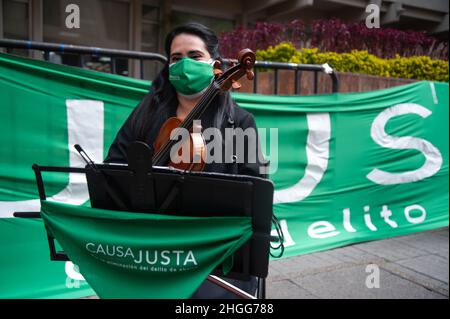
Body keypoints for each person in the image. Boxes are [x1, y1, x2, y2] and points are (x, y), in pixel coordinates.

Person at [104, 22, 266, 298]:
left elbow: (256, 193)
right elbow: (113, 167)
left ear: (215, 63)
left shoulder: (239, 121)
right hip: (153, 247)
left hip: (213, 252)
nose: (184, 65)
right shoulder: (145, 113)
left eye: (194, 56)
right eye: (176, 59)